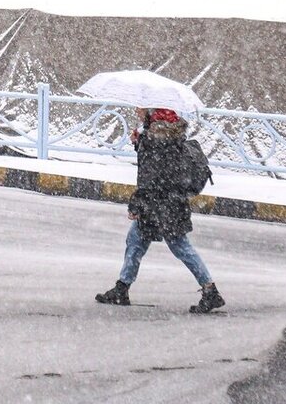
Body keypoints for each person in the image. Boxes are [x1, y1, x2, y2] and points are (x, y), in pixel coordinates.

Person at [95, 107, 225, 314]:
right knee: (136, 242)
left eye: (140, 108)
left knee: (180, 247)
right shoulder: (168, 134)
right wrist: (140, 144)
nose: (136, 111)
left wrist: (136, 204)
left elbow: (148, 177)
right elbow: (164, 166)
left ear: (150, 111)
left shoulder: (153, 138)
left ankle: (210, 291)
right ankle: (122, 288)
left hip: (158, 204)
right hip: (171, 202)